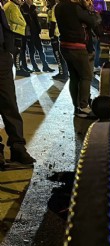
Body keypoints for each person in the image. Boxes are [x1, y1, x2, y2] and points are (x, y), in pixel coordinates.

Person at [0, 6, 36, 166]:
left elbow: (5, 28)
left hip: (1, 59)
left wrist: (8, 53)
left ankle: (18, 148)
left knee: (9, 104)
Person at [54, 0, 99, 118]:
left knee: (74, 77)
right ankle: (84, 107)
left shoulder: (58, 6)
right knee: (86, 76)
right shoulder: (75, 7)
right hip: (77, 46)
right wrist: (93, 12)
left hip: (64, 45)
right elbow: (93, 21)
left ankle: (77, 107)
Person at [22, 0, 54, 72]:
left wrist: (39, 29)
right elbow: (26, 21)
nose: (31, 1)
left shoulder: (33, 8)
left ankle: (45, 66)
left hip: (35, 32)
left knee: (40, 49)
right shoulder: (23, 8)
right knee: (32, 50)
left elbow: (35, 20)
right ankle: (34, 66)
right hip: (29, 33)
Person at [3, 0, 30, 77]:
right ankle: (18, 69)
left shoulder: (10, 4)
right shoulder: (12, 5)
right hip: (16, 31)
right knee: (17, 51)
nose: (21, 0)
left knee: (17, 51)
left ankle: (19, 67)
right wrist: (24, 23)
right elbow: (14, 18)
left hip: (14, 31)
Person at [47, 0, 67, 80]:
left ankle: (62, 73)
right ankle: (64, 72)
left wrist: (51, 35)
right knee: (61, 54)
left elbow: (53, 22)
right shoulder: (63, 7)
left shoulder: (55, 7)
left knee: (58, 54)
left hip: (56, 34)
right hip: (62, 33)